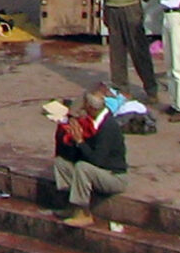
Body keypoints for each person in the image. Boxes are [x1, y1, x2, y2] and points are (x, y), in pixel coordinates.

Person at [47, 92, 129, 226]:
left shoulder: (108, 127)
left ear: (91, 108)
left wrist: (80, 142)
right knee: (61, 163)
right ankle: (71, 206)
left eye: (84, 107)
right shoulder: (91, 123)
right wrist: (70, 138)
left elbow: (97, 160)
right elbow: (75, 154)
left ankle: (83, 213)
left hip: (114, 177)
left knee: (82, 167)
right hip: (98, 171)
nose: (82, 111)